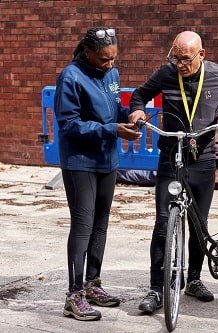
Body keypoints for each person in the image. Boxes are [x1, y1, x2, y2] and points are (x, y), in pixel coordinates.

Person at [128, 31, 218, 314]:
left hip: (202, 159)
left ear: (201, 55)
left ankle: (193, 279)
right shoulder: (165, 74)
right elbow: (139, 95)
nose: (179, 64)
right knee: (164, 223)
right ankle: (156, 288)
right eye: (174, 57)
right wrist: (138, 112)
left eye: (185, 59)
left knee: (198, 225)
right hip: (170, 157)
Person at [54, 27, 142, 321]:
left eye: (114, 59)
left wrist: (128, 118)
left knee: (101, 224)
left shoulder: (112, 76)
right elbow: (69, 125)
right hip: (80, 162)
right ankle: (74, 294)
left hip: (107, 160)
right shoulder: (71, 77)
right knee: (83, 225)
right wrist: (111, 130)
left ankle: (93, 283)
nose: (110, 65)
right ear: (88, 52)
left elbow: (114, 110)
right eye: (104, 59)